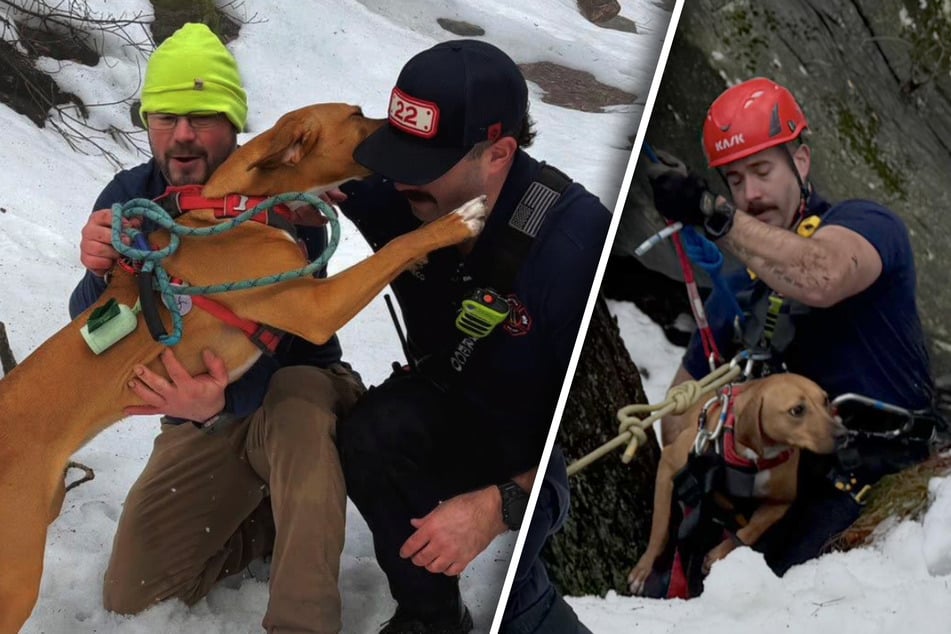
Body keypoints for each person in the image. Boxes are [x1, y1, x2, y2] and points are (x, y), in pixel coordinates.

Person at [68, 23, 363, 633]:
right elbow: (96, 330)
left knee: (300, 417)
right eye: (165, 116)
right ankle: (266, 522)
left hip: (293, 385)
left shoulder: (281, 200)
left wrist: (222, 402)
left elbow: (296, 334)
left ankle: (302, 620)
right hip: (200, 415)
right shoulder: (131, 197)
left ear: (233, 126)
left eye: (203, 116)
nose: (181, 136)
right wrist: (100, 276)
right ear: (147, 122)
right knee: (133, 594)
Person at [334, 40, 608, 633]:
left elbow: (583, 447)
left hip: (535, 453)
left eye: (421, 164)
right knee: (370, 434)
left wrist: (498, 506)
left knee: (515, 599)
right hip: (446, 405)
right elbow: (287, 172)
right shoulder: (402, 193)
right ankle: (431, 619)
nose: (398, 179)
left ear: (499, 154)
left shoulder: (575, 251)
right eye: (395, 155)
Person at [644, 76, 943, 576]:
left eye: (761, 170)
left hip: (886, 481)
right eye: (734, 181)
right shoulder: (737, 296)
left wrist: (711, 216)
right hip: (782, 500)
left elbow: (821, 274)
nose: (751, 194)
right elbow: (676, 414)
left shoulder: (867, 225)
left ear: (800, 162)